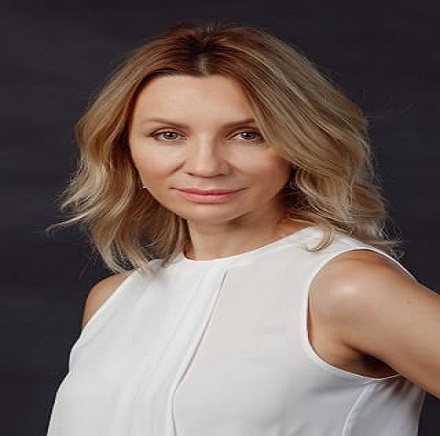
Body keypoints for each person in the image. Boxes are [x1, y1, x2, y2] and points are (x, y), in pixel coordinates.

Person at [47, 22, 440, 436]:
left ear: (297, 144)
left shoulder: (348, 287)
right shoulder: (113, 299)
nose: (205, 165)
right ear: (124, 149)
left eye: (247, 135)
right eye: (169, 134)